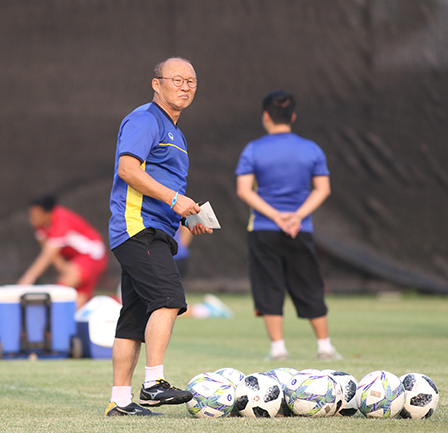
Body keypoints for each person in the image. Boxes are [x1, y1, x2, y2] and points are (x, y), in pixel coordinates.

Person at [105, 57, 212, 417]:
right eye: (177, 79)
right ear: (156, 83)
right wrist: (173, 199)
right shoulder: (145, 119)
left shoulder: (176, 133)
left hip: (155, 228)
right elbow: (127, 169)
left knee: (133, 320)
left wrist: (187, 217)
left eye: (191, 81)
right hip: (138, 228)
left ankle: (120, 402)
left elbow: (162, 184)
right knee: (169, 299)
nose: (185, 86)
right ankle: (153, 383)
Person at [235, 90, 341, 361]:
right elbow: (323, 189)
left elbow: (244, 190)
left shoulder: (253, 149)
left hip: (263, 228)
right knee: (309, 283)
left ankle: (278, 349)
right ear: (293, 116)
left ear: (265, 116)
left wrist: (276, 216)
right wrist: (296, 217)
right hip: (300, 229)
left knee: (268, 285)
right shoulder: (311, 149)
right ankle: (325, 347)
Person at [17, 194, 108, 309]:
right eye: (31, 215)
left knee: (61, 291)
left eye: (36, 215)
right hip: (75, 260)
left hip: (92, 256)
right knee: (76, 300)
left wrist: (28, 279)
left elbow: (47, 255)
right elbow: (52, 254)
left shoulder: (61, 220)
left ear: (47, 213)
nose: (32, 219)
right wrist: (64, 269)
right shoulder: (40, 226)